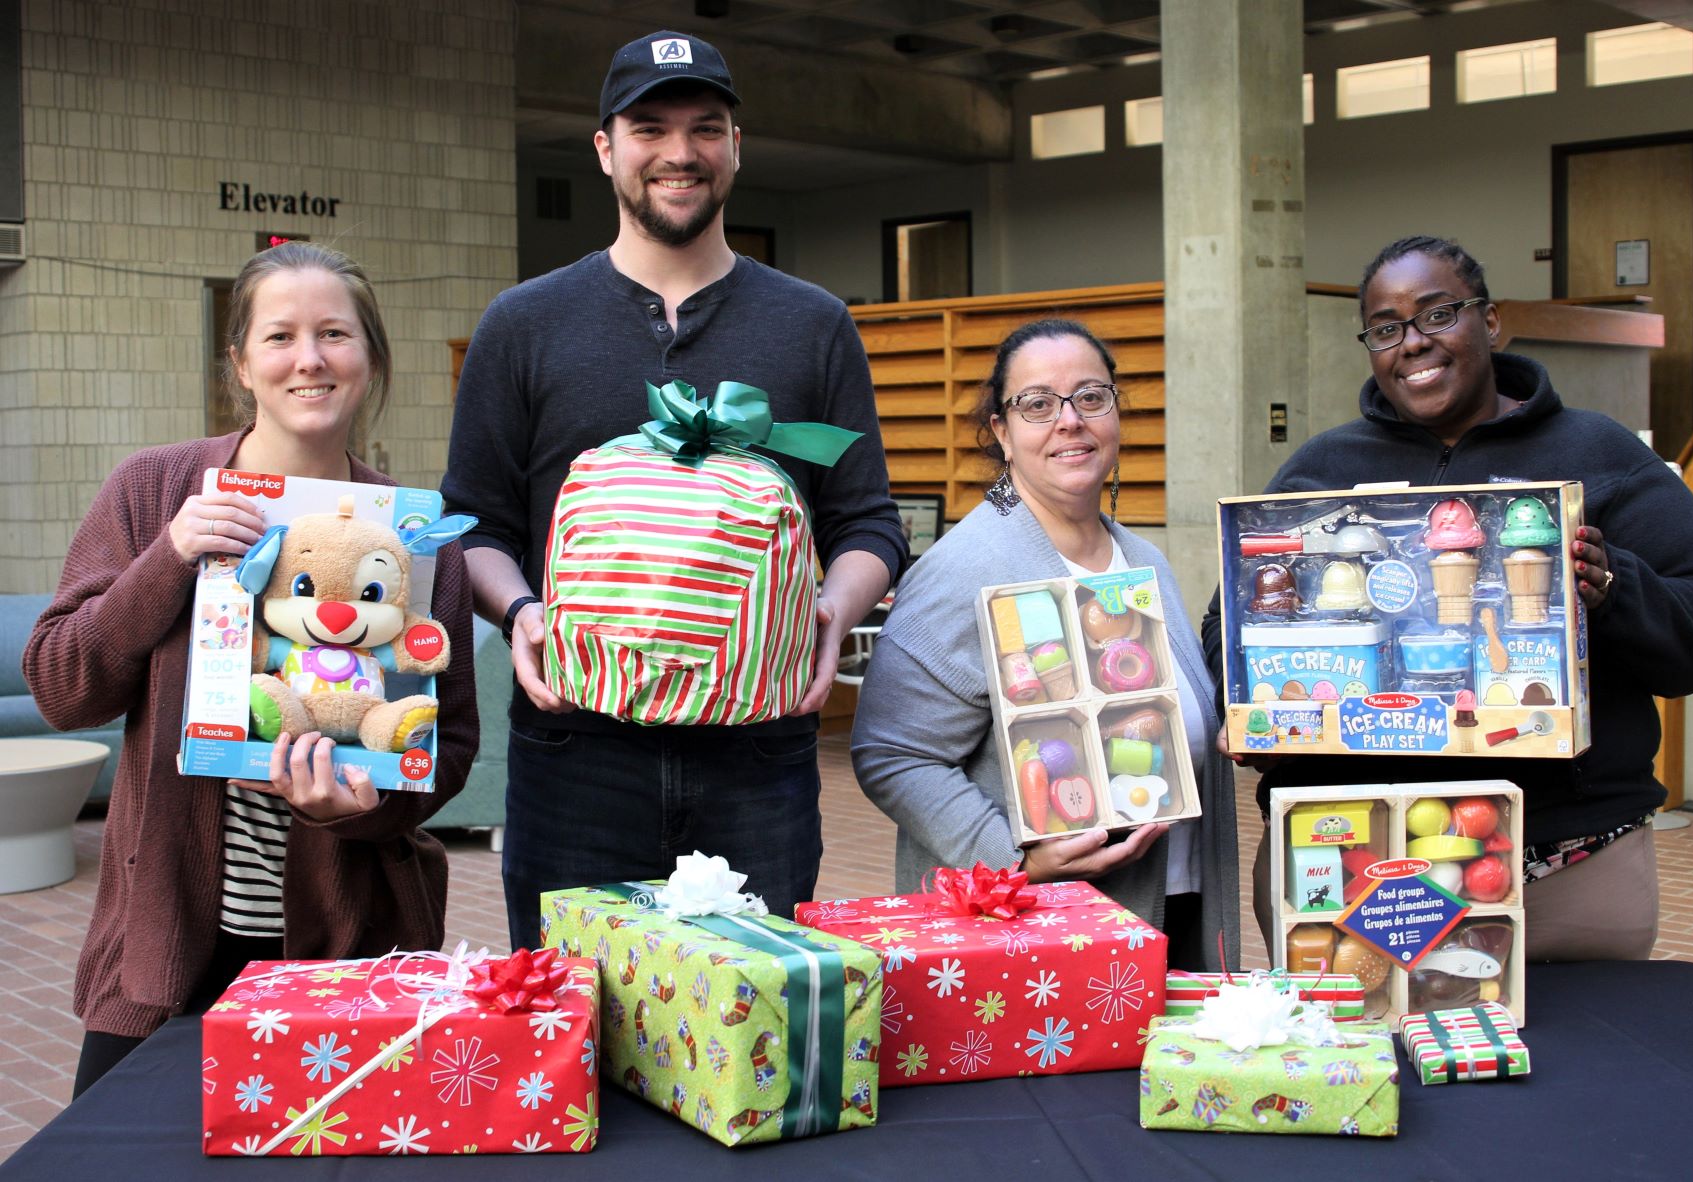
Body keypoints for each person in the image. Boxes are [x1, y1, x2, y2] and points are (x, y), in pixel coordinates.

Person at [442, 30, 906, 946]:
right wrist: (522, 613)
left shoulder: (812, 325)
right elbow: (472, 524)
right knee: (574, 1011)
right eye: (649, 127)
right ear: (606, 148)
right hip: (577, 742)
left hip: (757, 747)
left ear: (737, 146)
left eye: (706, 127)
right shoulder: (524, 324)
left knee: (756, 1010)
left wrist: (825, 612)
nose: (680, 152)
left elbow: (867, 523)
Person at [1206, 234, 1693, 962]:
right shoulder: (1321, 474)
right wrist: (1258, 716)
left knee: (1590, 1065)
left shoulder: (1598, 456)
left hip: (1563, 862)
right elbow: (1230, 625)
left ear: (1490, 322)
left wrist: (1613, 586)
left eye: (1437, 315)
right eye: (1385, 328)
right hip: (1344, 853)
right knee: (1363, 1066)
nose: (1412, 343)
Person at [25, 242, 478, 1097]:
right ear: (240, 362)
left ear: (370, 356)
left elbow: (444, 749)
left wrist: (358, 811)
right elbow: (59, 685)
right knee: (116, 1155)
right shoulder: (155, 493)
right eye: (280, 336)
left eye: (335, 333)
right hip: (168, 942)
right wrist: (168, 559)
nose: (309, 359)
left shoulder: (418, 542)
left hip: (349, 944)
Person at [851, 319, 1242, 970]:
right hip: (1040, 938)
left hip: (1173, 912)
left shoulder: (1141, 561)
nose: (1070, 421)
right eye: (1037, 404)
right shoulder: (964, 570)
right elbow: (892, 753)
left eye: (1091, 397)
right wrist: (1010, 858)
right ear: (1001, 433)